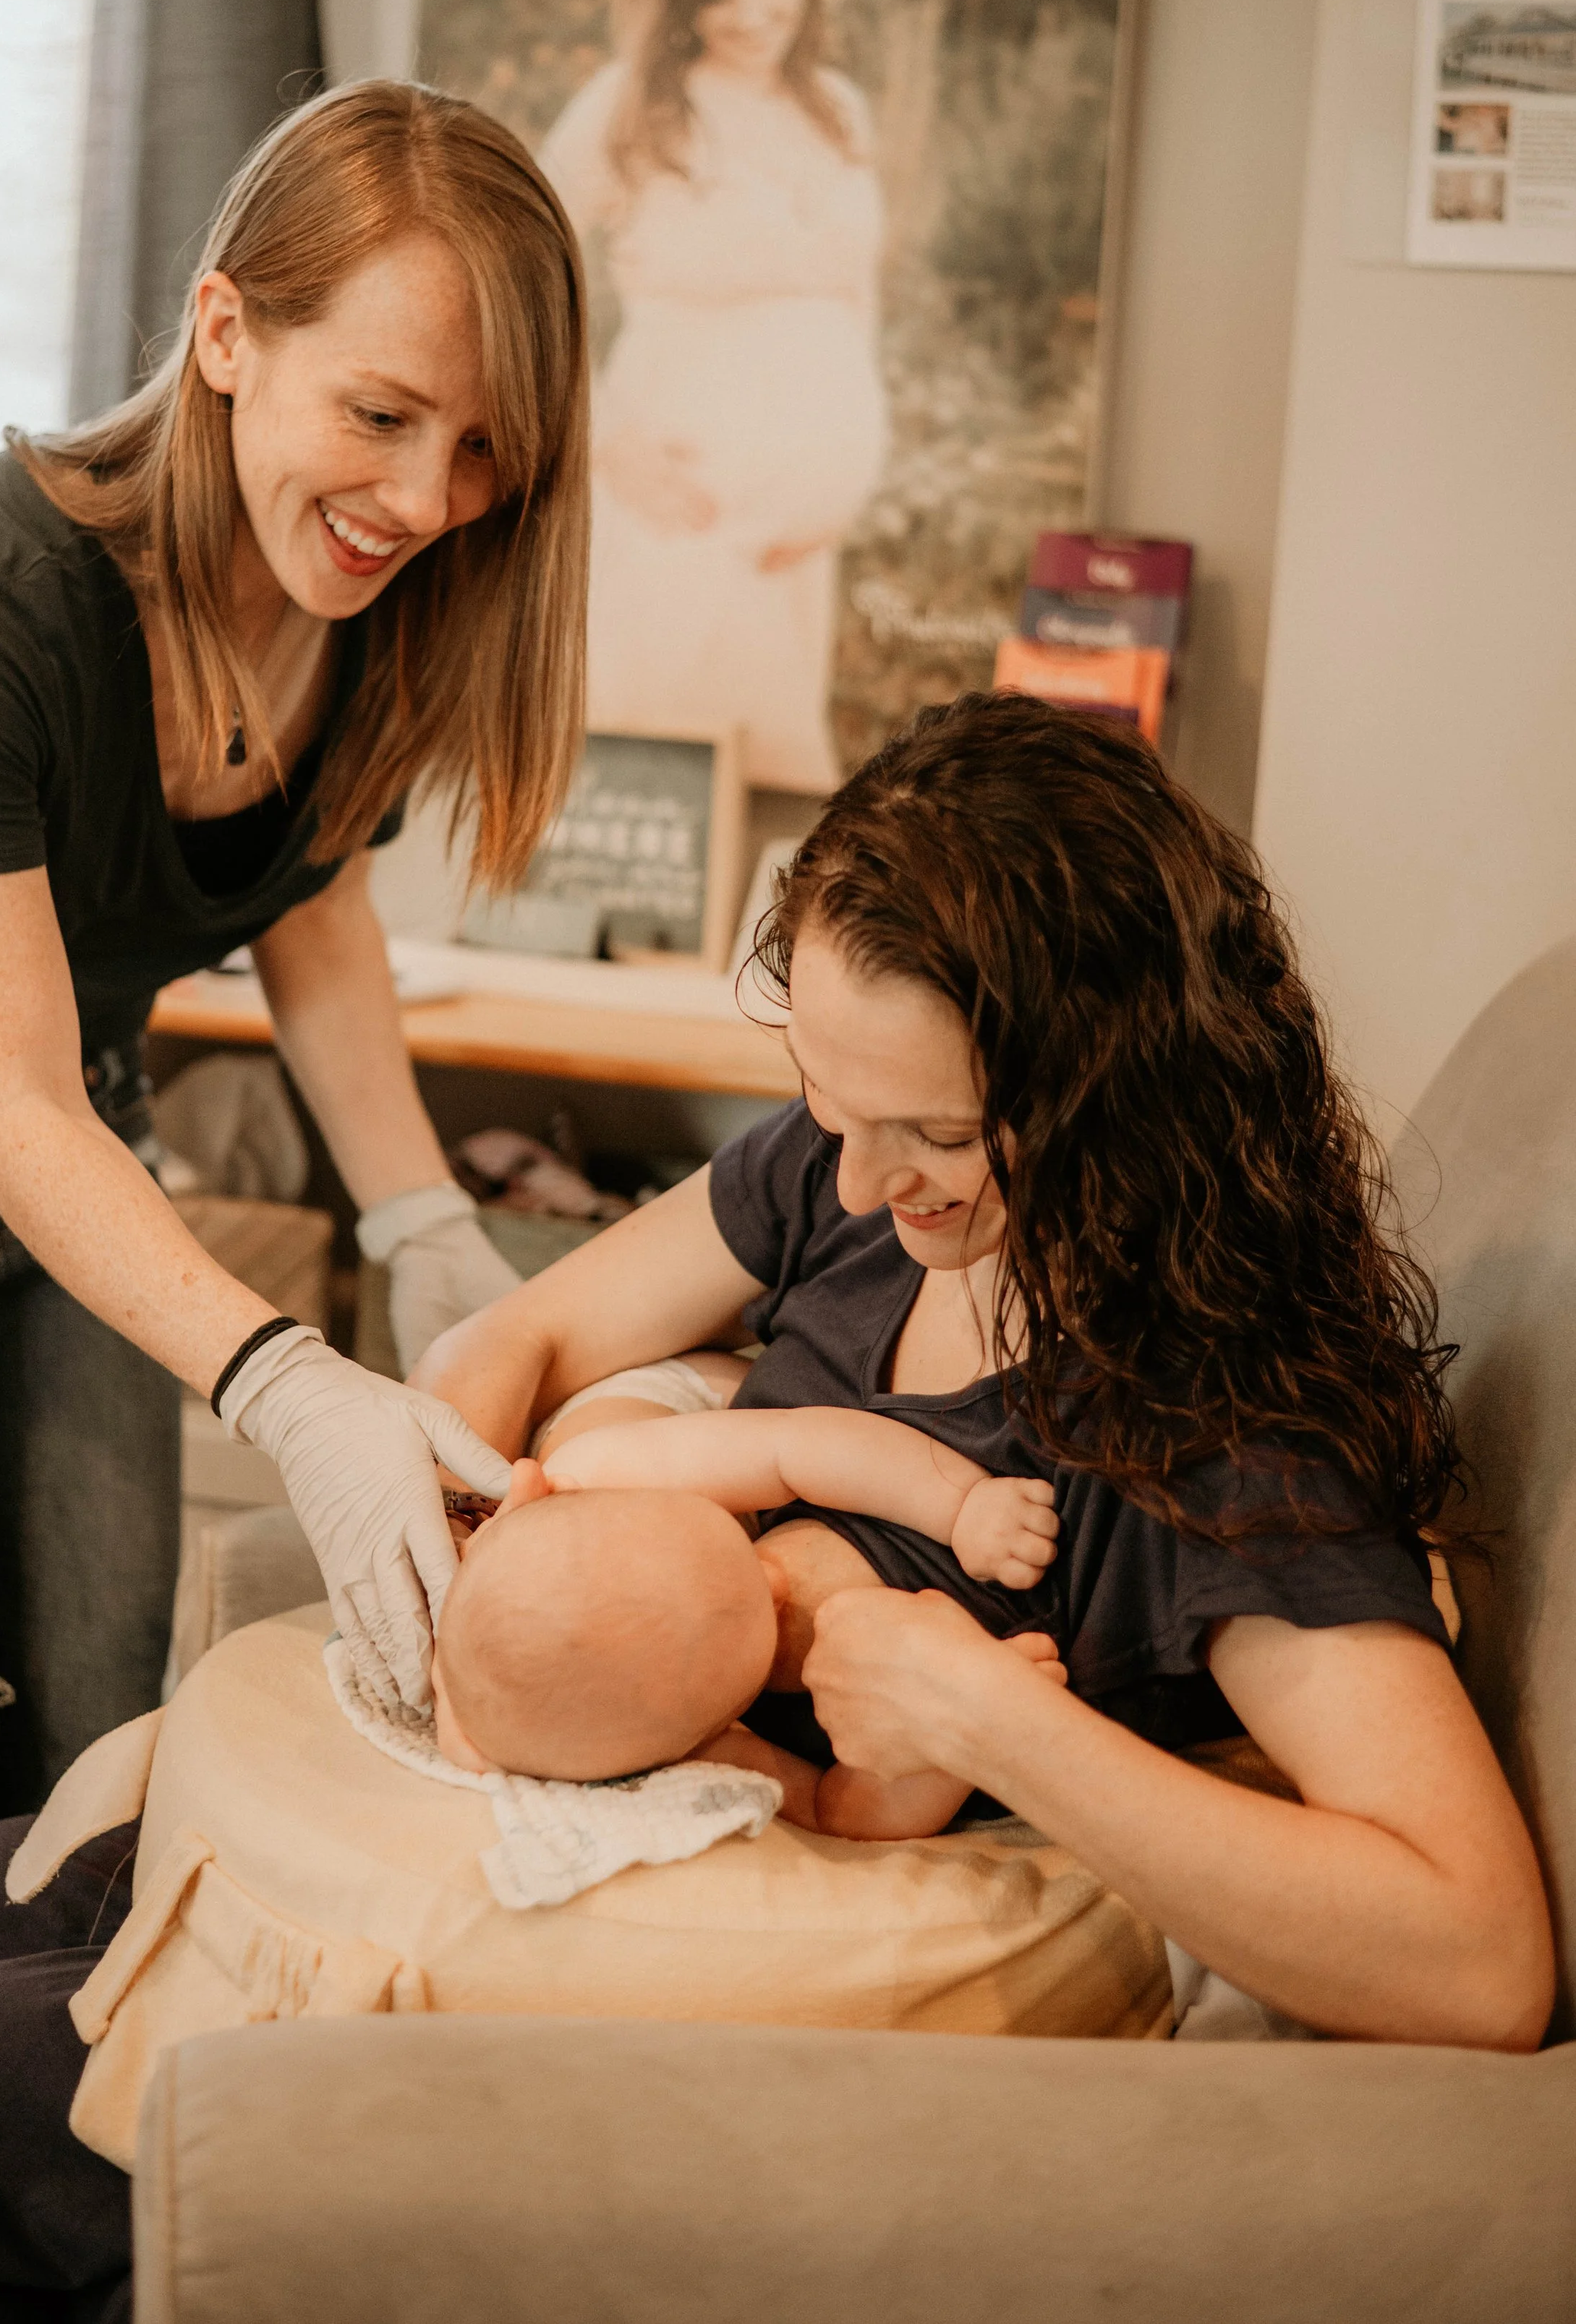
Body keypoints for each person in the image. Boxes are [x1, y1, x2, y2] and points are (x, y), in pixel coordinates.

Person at [0, 78, 583, 2124]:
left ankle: (2, 2158)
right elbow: (15, 1096)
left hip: (62, 1155)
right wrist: (294, 1382)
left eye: (480, 446)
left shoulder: (379, 614)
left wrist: (429, 1237)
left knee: (110, 1731)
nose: (423, 491)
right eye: (382, 413)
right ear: (229, 333)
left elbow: (309, 932)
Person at [418, 693, 1554, 2050]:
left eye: (937, 1133)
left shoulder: (1214, 1433)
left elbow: (1482, 1963)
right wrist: (470, 1603)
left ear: (1115, 1100)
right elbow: (514, 1338)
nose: (852, 1180)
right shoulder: (858, 1180)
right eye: (828, 1101)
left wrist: (982, 1718)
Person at [540, 0, 887, 792]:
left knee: (777, 788)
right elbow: (520, 273)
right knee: (663, 775)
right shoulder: (633, 105)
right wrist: (603, 440)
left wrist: (840, 487)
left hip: (795, 540)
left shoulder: (838, 110)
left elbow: (855, 302)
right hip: (675, 508)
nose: (748, 14)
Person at [432, 1406, 1065, 1837]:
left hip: (701, 1413)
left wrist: (958, 1505)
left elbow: (795, 1444)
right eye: (760, 1622)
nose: (774, 1579)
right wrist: (962, 1733)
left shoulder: (600, 1473)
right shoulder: (707, 1749)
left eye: (735, 1554)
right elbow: (841, 1812)